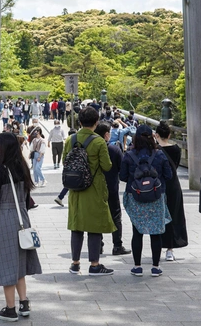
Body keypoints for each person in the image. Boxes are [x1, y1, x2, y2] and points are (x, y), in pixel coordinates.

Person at [0, 132, 42, 321]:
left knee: (6, 265)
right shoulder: (22, 169)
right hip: (22, 219)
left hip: (4, 219)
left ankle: (10, 309)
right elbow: (25, 199)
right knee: (18, 264)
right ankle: (24, 303)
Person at [62, 107, 115, 276]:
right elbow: (107, 166)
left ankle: (75, 263)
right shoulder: (99, 141)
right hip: (94, 189)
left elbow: (65, 161)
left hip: (75, 190)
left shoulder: (70, 139)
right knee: (94, 226)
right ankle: (94, 264)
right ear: (96, 122)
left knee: (76, 227)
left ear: (79, 122)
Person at [119, 124, 172, 278]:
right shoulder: (160, 154)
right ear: (152, 137)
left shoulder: (129, 155)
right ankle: (155, 267)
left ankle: (137, 266)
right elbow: (168, 175)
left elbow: (122, 177)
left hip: (135, 197)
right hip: (156, 197)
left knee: (138, 232)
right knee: (156, 232)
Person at [94, 123, 130, 256]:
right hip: (112, 188)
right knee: (115, 216)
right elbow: (123, 170)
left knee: (97, 217)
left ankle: (98, 245)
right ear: (106, 134)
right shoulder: (114, 150)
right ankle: (117, 245)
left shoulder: (91, 148)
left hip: (95, 188)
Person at [154, 120, 188, 262]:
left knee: (159, 216)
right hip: (173, 184)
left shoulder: (154, 149)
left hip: (157, 185)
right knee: (173, 214)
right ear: (168, 135)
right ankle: (170, 249)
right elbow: (175, 165)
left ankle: (157, 245)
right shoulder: (175, 149)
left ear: (156, 135)